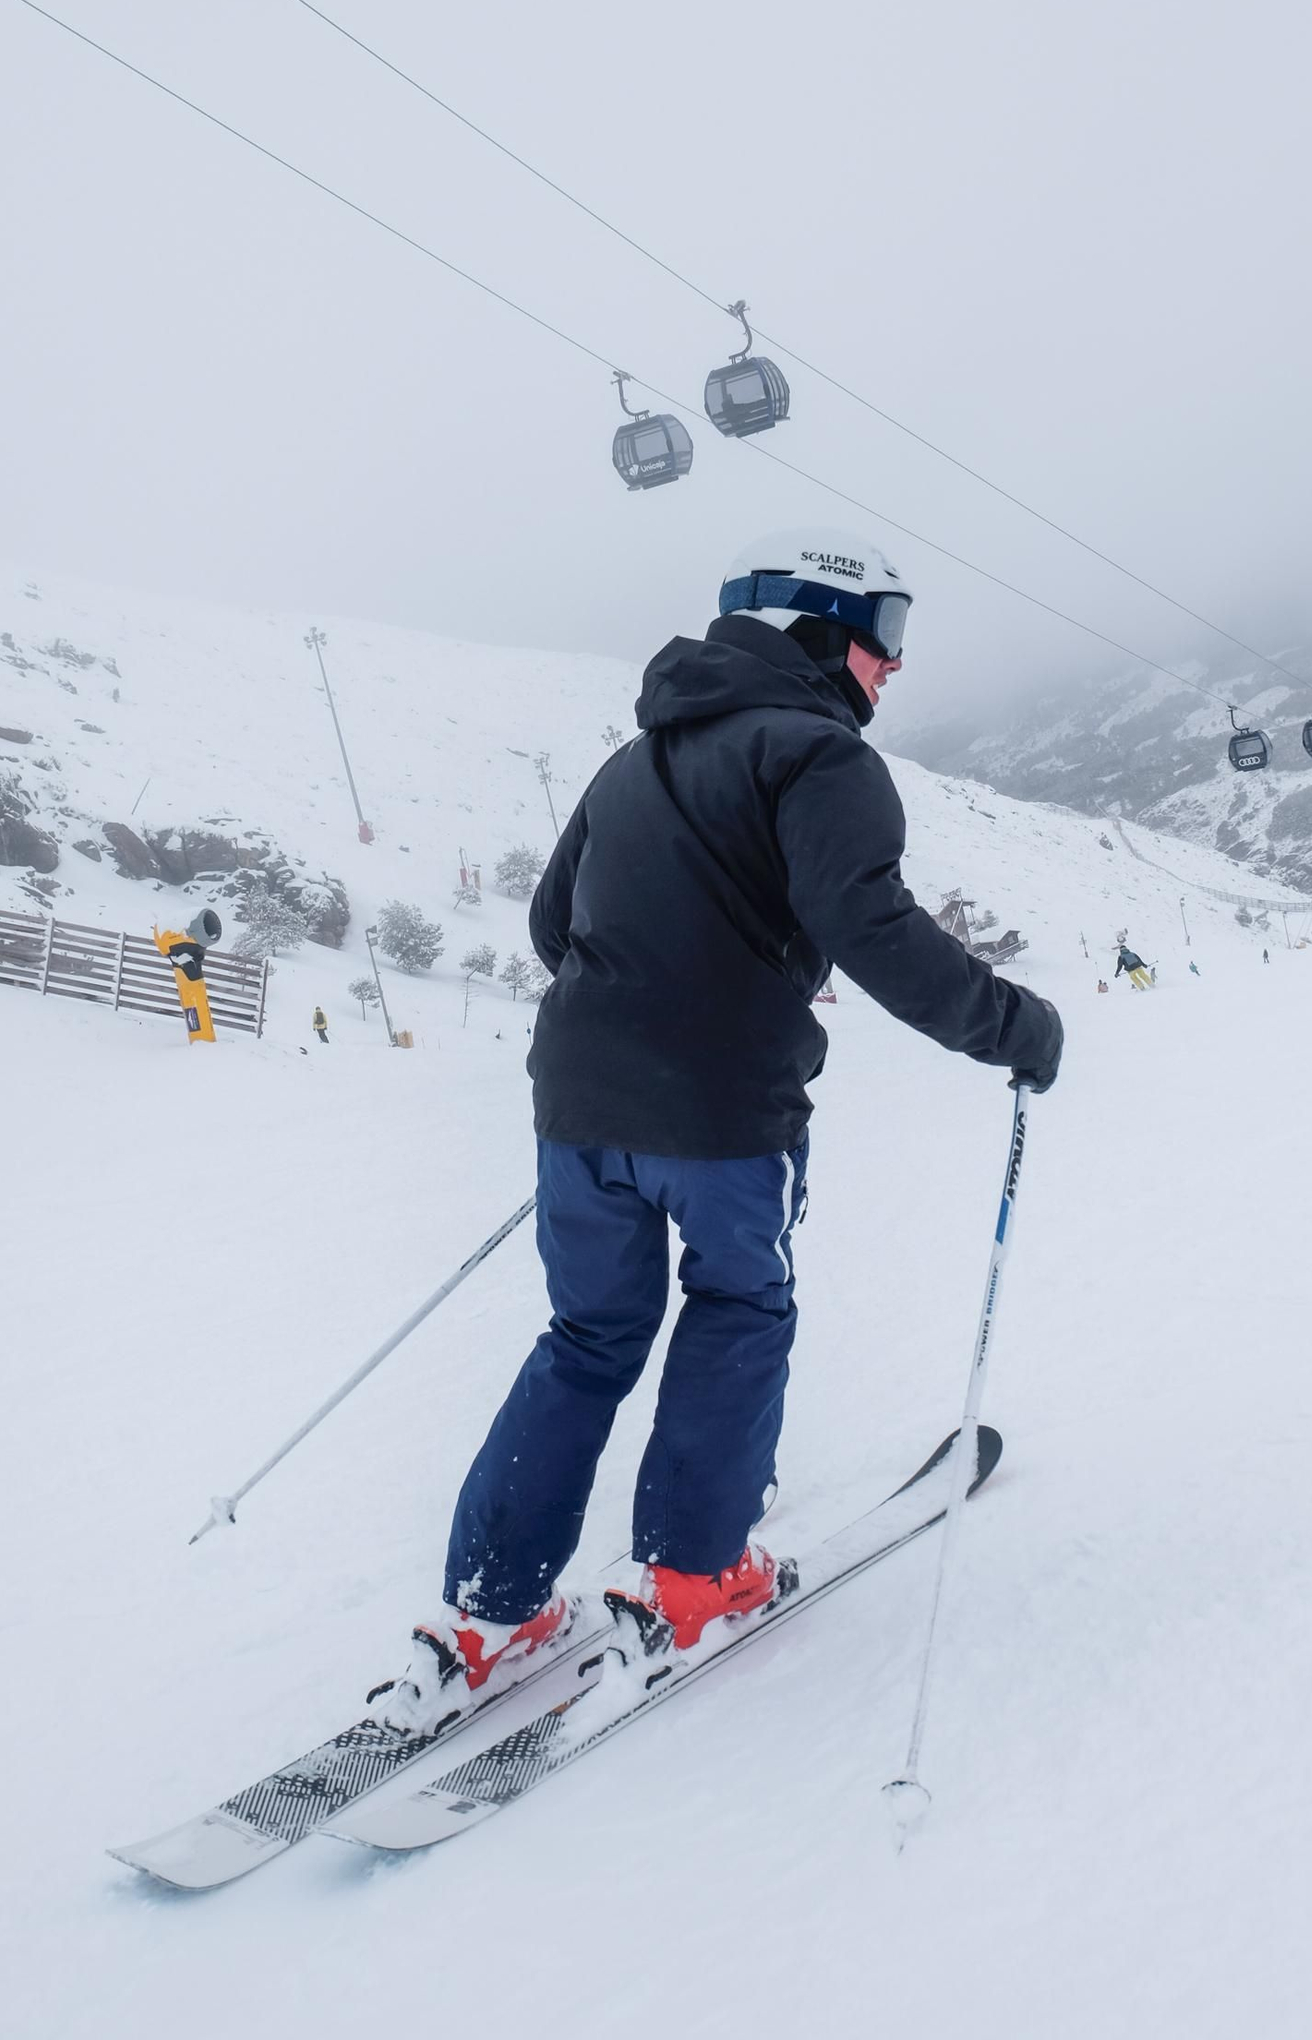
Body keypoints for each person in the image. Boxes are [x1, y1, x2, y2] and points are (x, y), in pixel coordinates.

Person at [368, 529, 1063, 1734]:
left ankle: (490, 1611)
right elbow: (873, 931)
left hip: (578, 1106)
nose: (892, 668)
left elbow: (551, 925)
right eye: (882, 634)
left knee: (588, 1335)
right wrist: (1015, 1026)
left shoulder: (632, 763)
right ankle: (693, 1578)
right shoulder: (821, 758)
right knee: (739, 1309)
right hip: (725, 1111)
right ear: (813, 632)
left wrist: (637, 999)